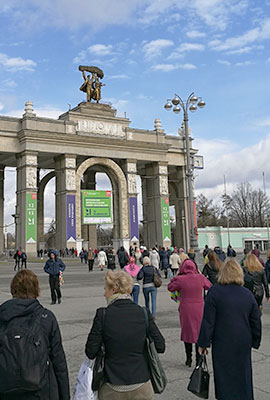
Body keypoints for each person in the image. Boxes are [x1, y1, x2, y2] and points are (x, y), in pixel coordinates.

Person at [85, 269, 165, 400]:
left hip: (112, 385)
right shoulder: (143, 313)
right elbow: (160, 346)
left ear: (114, 290)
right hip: (141, 382)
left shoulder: (103, 315)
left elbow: (90, 351)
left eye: (105, 289)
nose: (104, 293)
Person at [0, 269, 70, 399]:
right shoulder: (46, 318)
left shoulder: (2, 317)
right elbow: (59, 364)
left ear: (13, 291)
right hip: (41, 391)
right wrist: (65, 396)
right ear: (36, 291)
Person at [198, 259, 262, 400]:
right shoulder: (247, 294)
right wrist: (255, 340)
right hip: (242, 340)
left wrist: (203, 343)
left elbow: (208, 321)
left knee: (224, 375)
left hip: (222, 340)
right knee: (243, 374)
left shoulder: (214, 293)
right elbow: (255, 320)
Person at [167, 258, 211, 367]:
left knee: (187, 332)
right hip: (199, 307)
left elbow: (170, 288)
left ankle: (188, 358)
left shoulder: (181, 279)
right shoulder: (200, 278)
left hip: (186, 308)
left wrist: (175, 277)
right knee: (198, 332)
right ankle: (199, 358)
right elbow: (209, 286)